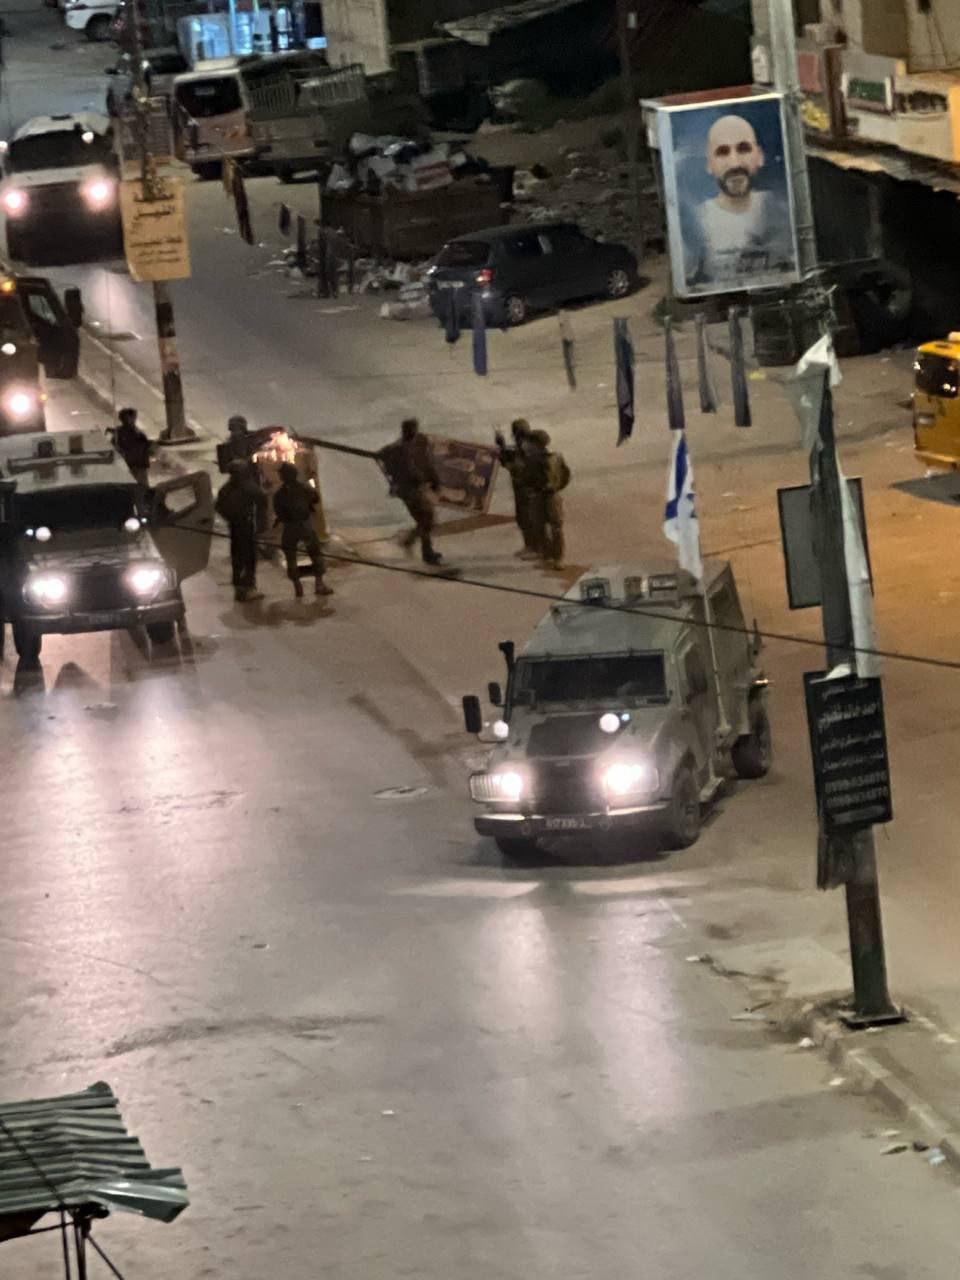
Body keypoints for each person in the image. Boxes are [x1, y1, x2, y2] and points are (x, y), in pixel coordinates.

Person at [686, 113, 793, 288]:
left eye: (743, 149)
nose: (734, 163)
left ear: (760, 156)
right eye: (722, 152)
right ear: (709, 164)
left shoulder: (782, 211)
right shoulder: (696, 222)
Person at [378, 418, 442, 566]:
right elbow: (418, 467)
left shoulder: (407, 446)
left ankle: (419, 546)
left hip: (413, 489)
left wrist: (433, 480)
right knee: (427, 519)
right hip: (409, 490)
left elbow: (426, 463)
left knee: (425, 520)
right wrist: (430, 480)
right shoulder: (399, 449)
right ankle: (423, 550)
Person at [272, 461, 333, 598]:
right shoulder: (304, 487)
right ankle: (319, 584)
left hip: (289, 528)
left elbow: (278, 511)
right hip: (305, 525)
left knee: (291, 557)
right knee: (315, 553)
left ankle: (297, 587)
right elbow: (315, 499)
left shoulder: (279, 494)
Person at [215, 459, 267, 602]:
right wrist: (260, 523)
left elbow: (218, 506)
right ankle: (249, 587)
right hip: (246, 525)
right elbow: (262, 499)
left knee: (237, 556)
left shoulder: (226, 489)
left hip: (234, 526)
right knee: (249, 556)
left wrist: (230, 517)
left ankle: (239, 587)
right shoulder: (248, 486)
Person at [527, 428, 571, 571]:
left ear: (538, 444)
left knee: (556, 527)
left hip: (551, 496)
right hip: (537, 496)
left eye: (531, 444)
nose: (529, 446)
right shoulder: (532, 458)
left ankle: (558, 558)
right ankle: (547, 556)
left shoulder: (555, 457)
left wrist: (556, 487)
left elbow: (566, 474)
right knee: (539, 527)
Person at [495, 417, 537, 559]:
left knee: (530, 519)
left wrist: (502, 448)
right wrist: (502, 446)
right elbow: (508, 459)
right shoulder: (523, 447)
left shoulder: (528, 449)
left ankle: (535, 548)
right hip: (522, 491)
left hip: (529, 491)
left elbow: (513, 466)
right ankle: (530, 546)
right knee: (523, 519)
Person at [114, 406, 151, 488]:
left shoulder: (135, 433)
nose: (133, 420)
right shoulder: (134, 433)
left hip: (135, 465)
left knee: (137, 486)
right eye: (132, 418)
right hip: (134, 465)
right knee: (139, 487)